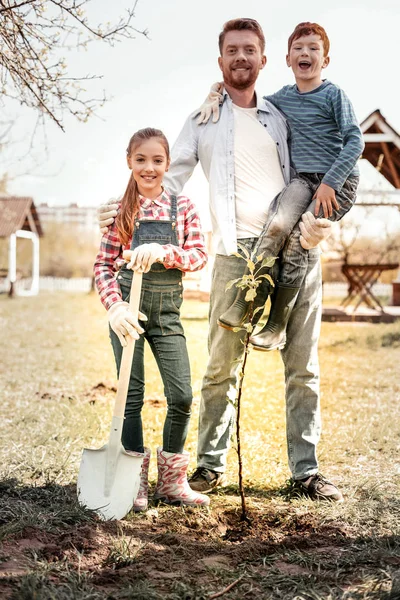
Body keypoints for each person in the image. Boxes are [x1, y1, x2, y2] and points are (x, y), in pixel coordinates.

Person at [98, 19, 343, 502]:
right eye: (232, 50)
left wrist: (322, 221)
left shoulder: (282, 115)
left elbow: (314, 166)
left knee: (303, 366)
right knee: (219, 369)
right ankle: (208, 467)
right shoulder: (203, 118)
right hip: (235, 255)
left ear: (263, 59)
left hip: (295, 249)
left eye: (250, 50)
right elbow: (167, 178)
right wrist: (123, 207)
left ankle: (306, 471)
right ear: (221, 61)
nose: (241, 58)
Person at [198, 21, 364, 351]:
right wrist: (214, 93)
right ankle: (250, 298)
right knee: (275, 225)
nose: (306, 53)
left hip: (337, 182)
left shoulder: (333, 95)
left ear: (325, 60)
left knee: (297, 243)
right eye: (299, 49)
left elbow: (355, 141)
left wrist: (330, 183)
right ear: (288, 59)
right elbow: (242, 97)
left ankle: (276, 324)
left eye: (314, 49)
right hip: (301, 181)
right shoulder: (281, 100)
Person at [94, 127, 209, 511]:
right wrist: (115, 307)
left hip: (168, 316)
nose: (149, 167)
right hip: (129, 314)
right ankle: (135, 481)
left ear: (167, 163)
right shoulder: (119, 211)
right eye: (141, 160)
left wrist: (164, 250)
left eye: (157, 160)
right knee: (131, 397)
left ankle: (173, 482)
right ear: (129, 162)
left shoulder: (183, 207)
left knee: (182, 395)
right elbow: (103, 266)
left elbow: (198, 255)